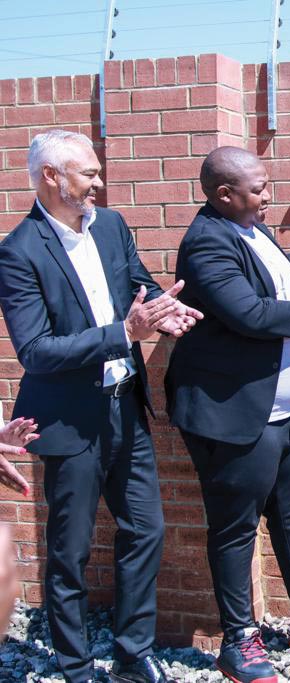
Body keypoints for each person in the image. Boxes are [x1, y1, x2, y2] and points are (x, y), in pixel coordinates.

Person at [164, 146, 290, 683]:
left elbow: (274, 281)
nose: (267, 195)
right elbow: (247, 312)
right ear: (224, 194)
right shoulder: (207, 242)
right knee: (235, 529)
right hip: (238, 416)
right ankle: (239, 641)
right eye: (257, 189)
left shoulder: (250, 229)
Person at [0, 130, 201, 683]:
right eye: (88, 173)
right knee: (70, 552)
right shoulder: (19, 251)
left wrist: (163, 309)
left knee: (146, 530)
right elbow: (35, 351)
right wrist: (123, 334)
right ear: (51, 177)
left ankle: (134, 654)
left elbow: (137, 284)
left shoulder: (110, 225)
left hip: (125, 409)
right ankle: (75, 665)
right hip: (68, 420)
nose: (99, 181)